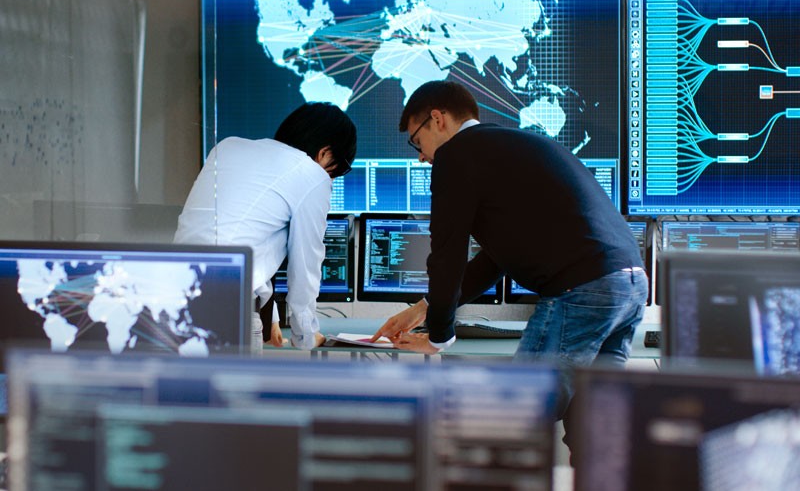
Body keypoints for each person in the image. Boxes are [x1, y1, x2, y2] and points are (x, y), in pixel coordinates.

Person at [370, 80, 648, 447]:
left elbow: (447, 253)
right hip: (629, 286)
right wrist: (424, 309)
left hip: (581, 289)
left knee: (513, 420)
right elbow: (494, 260)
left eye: (416, 142)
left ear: (438, 120)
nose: (420, 157)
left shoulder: (457, 155)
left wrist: (439, 336)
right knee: (592, 427)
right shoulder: (519, 145)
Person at [175, 102, 357, 352]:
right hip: (228, 313)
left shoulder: (227, 147)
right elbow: (306, 264)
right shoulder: (312, 175)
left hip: (172, 298)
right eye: (336, 171)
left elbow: (248, 236)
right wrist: (306, 335)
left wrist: (268, 315)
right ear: (325, 153)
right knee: (233, 391)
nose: (331, 178)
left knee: (180, 389)